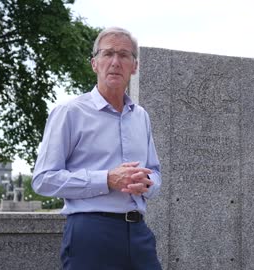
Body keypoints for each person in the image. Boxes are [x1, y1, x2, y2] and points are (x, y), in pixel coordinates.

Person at [32, 27, 162, 270]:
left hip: (138, 233)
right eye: (108, 53)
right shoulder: (70, 112)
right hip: (90, 234)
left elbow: (155, 172)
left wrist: (148, 183)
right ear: (95, 63)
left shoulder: (141, 116)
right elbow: (43, 179)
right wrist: (107, 179)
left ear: (134, 66)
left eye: (124, 55)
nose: (115, 62)